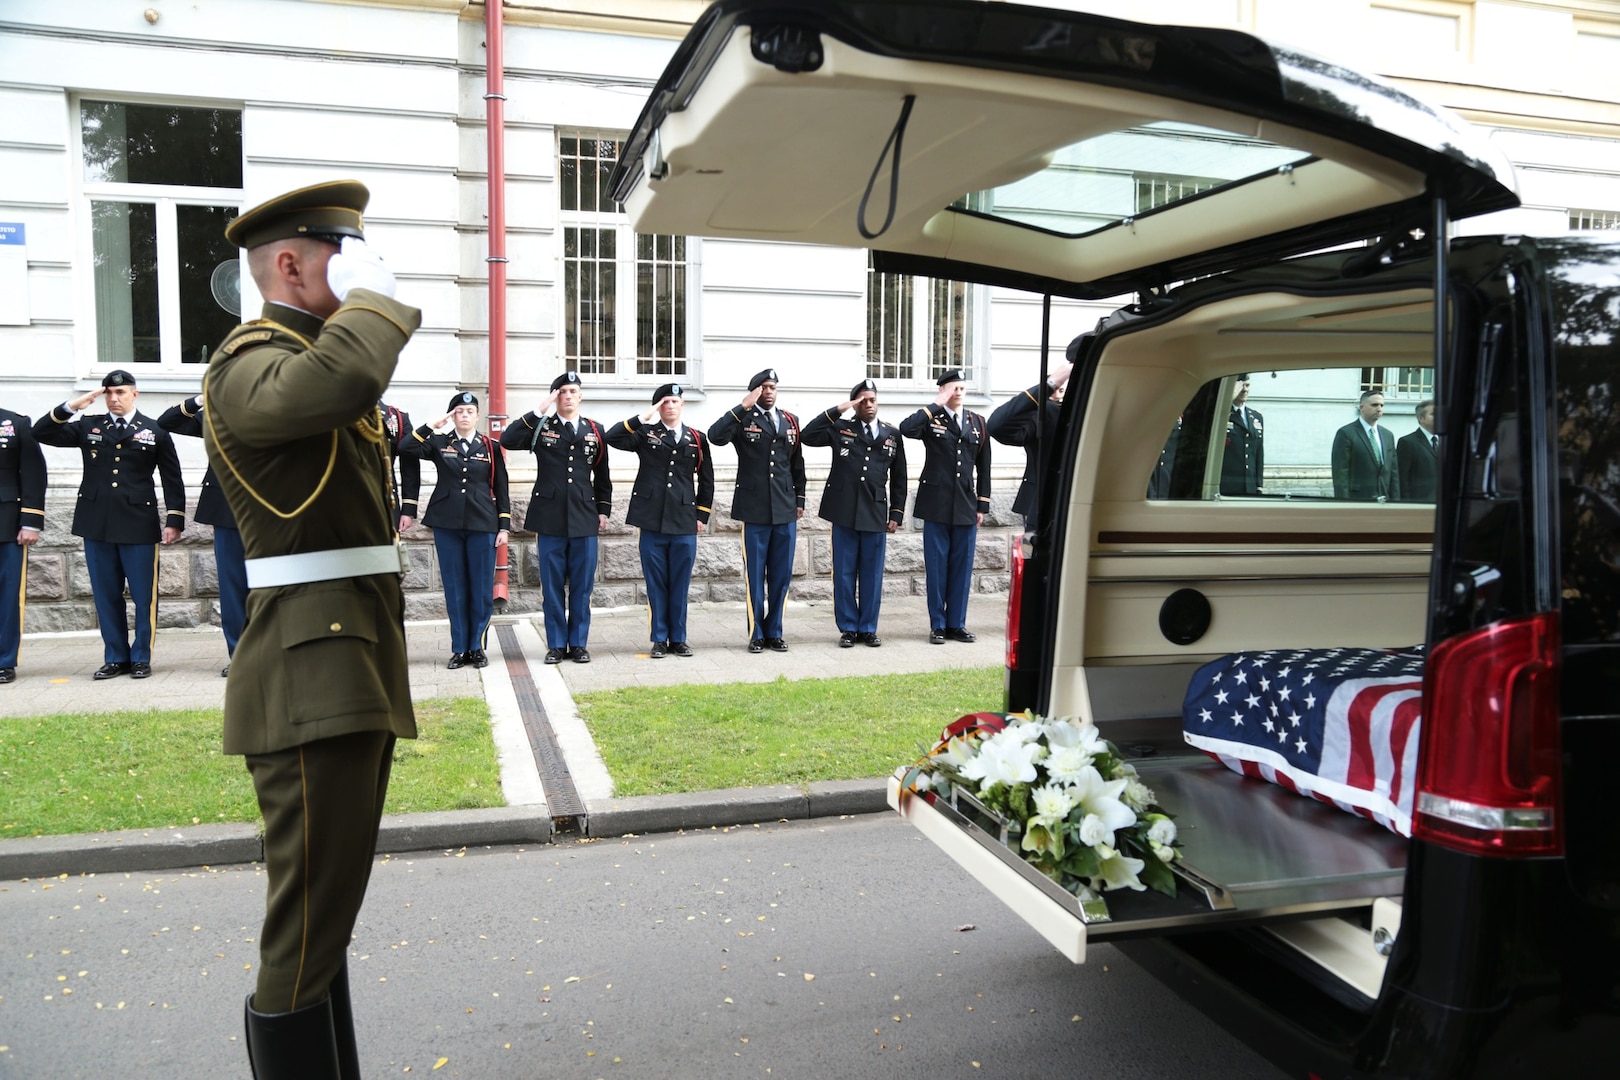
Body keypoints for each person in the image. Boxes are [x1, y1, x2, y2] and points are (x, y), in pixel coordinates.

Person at [203, 179, 420, 1076]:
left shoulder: (310, 357)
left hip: (348, 664)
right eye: (346, 252)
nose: (365, 269)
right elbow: (348, 374)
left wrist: (359, 301)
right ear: (289, 263)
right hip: (307, 677)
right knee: (302, 934)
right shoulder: (249, 362)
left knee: (325, 921)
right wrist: (373, 302)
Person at [33, 369, 185, 679]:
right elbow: (42, 433)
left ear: (134, 394)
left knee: (144, 596)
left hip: (138, 525)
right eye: (109, 394)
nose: (114, 399)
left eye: (121, 393)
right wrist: (72, 407)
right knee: (106, 595)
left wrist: (174, 520)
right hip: (96, 524)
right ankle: (116, 656)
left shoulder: (154, 430)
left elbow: (172, 478)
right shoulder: (89, 426)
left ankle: (141, 656)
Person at [500, 371, 611, 664]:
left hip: (584, 517)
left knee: (582, 586)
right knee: (551, 587)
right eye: (562, 392)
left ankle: (578, 643)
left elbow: (602, 476)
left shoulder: (595, 430)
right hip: (549, 518)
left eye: (573, 391)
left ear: (581, 396)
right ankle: (556, 644)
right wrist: (541, 408)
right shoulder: (541, 428)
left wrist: (603, 510)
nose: (568, 396)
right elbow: (508, 439)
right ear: (555, 396)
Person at [401, 391, 511, 669]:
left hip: (482, 524)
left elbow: (501, 487)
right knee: (455, 588)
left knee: (481, 588)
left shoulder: (491, 446)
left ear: (476, 415)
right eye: (458, 411)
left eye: (469, 411)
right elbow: (404, 448)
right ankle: (459, 648)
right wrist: (432, 426)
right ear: (452, 416)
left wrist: (504, 526)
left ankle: (477, 647)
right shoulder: (439, 443)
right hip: (447, 523)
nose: (464, 415)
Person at [607, 383, 714, 659]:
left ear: (682, 406)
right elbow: (613, 437)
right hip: (652, 520)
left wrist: (701, 515)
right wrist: (644, 417)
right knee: (656, 583)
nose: (670, 406)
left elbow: (706, 480)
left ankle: (678, 638)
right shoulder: (645, 434)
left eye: (675, 401)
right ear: (658, 407)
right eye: (664, 402)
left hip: (684, 520)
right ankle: (658, 638)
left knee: (680, 583)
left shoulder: (697, 438)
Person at [800, 378, 906, 647]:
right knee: (844, 573)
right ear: (856, 404)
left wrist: (896, 513)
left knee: (872, 574)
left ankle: (868, 628)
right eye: (863, 401)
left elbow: (900, 477)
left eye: (872, 400)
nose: (869, 405)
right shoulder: (840, 428)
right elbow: (807, 435)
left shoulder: (892, 434)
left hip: (875, 511)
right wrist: (840, 408)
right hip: (844, 510)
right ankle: (848, 627)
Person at [707, 367, 805, 652]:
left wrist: (799, 500)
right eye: (763, 387)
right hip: (754, 510)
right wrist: (742, 406)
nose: (770, 391)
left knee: (781, 575)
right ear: (754, 392)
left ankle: (775, 631)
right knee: (755, 576)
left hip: (785, 509)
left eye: (773, 387)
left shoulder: (790, 420)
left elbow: (796, 464)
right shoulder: (743, 419)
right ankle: (757, 633)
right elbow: (716, 436)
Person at [899, 369, 991, 644]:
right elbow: (907, 428)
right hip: (936, 502)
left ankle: (956, 624)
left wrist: (982, 505)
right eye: (953, 388)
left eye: (962, 388)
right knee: (937, 567)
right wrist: (935, 404)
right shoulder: (932, 419)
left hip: (965, 503)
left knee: (962, 568)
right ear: (943, 391)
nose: (958, 393)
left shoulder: (978, 423)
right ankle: (938, 624)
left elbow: (984, 468)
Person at [158, 395, 245, 676]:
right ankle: (241, 656)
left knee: (273, 587)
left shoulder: (281, 405)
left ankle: (272, 655)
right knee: (233, 590)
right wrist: (201, 398)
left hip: (272, 511)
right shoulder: (216, 413)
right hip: (227, 510)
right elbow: (167, 421)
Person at [987, 358, 1073, 528]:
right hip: (1045, 504)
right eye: (1058, 389)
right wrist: (1048, 385)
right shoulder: (1047, 412)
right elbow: (997, 426)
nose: (1060, 393)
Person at [0, 405, 46, 684]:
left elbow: (33, 472)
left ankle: (4, 660)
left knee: (7, 594)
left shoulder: (15, 423)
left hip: (6, 523)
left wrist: (31, 521)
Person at [1331, 390, 1400, 501]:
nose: (1379, 409)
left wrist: (1396, 500)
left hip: (1384, 499)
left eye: (1382, 405)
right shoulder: (1346, 433)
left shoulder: (1388, 435)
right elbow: (1340, 473)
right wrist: (1343, 502)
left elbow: (1393, 472)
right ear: (1362, 407)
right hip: (1358, 499)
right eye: (1374, 405)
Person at [379, 398, 420, 531]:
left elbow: (409, 467)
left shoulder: (396, 418)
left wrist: (408, 509)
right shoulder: (339, 416)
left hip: (385, 499)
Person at [1221, 374, 1264, 495]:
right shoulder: (1222, 414)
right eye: (1240, 386)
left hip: (1249, 486)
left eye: (1247, 385)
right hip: (1227, 486)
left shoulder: (1256, 417)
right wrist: (1227, 400)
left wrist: (1259, 484)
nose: (1244, 389)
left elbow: (1259, 452)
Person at [1396, 398, 1439, 503]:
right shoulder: (1407, 442)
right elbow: (1402, 478)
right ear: (1421, 418)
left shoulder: (1447, 441)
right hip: (1419, 503)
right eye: (1433, 414)